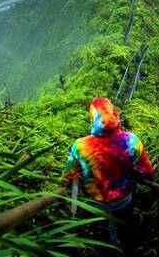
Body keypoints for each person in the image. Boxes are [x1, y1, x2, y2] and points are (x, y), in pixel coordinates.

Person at [64, 97, 154, 251]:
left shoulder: (79, 145)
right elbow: (147, 173)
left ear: (92, 119)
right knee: (126, 235)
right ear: (115, 114)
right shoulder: (132, 141)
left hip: (95, 206)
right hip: (123, 202)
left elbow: (68, 175)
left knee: (99, 243)